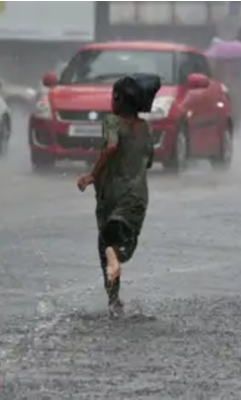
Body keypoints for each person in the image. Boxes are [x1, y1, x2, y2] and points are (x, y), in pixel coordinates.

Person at [77, 74, 159, 317]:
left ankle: (113, 300)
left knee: (106, 245)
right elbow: (149, 161)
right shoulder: (145, 128)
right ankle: (115, 293)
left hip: (111, 196)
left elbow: (111, 146)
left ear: (119, 100)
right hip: (136, 198)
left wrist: (92, 174)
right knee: (123, 243)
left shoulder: (112, 122)